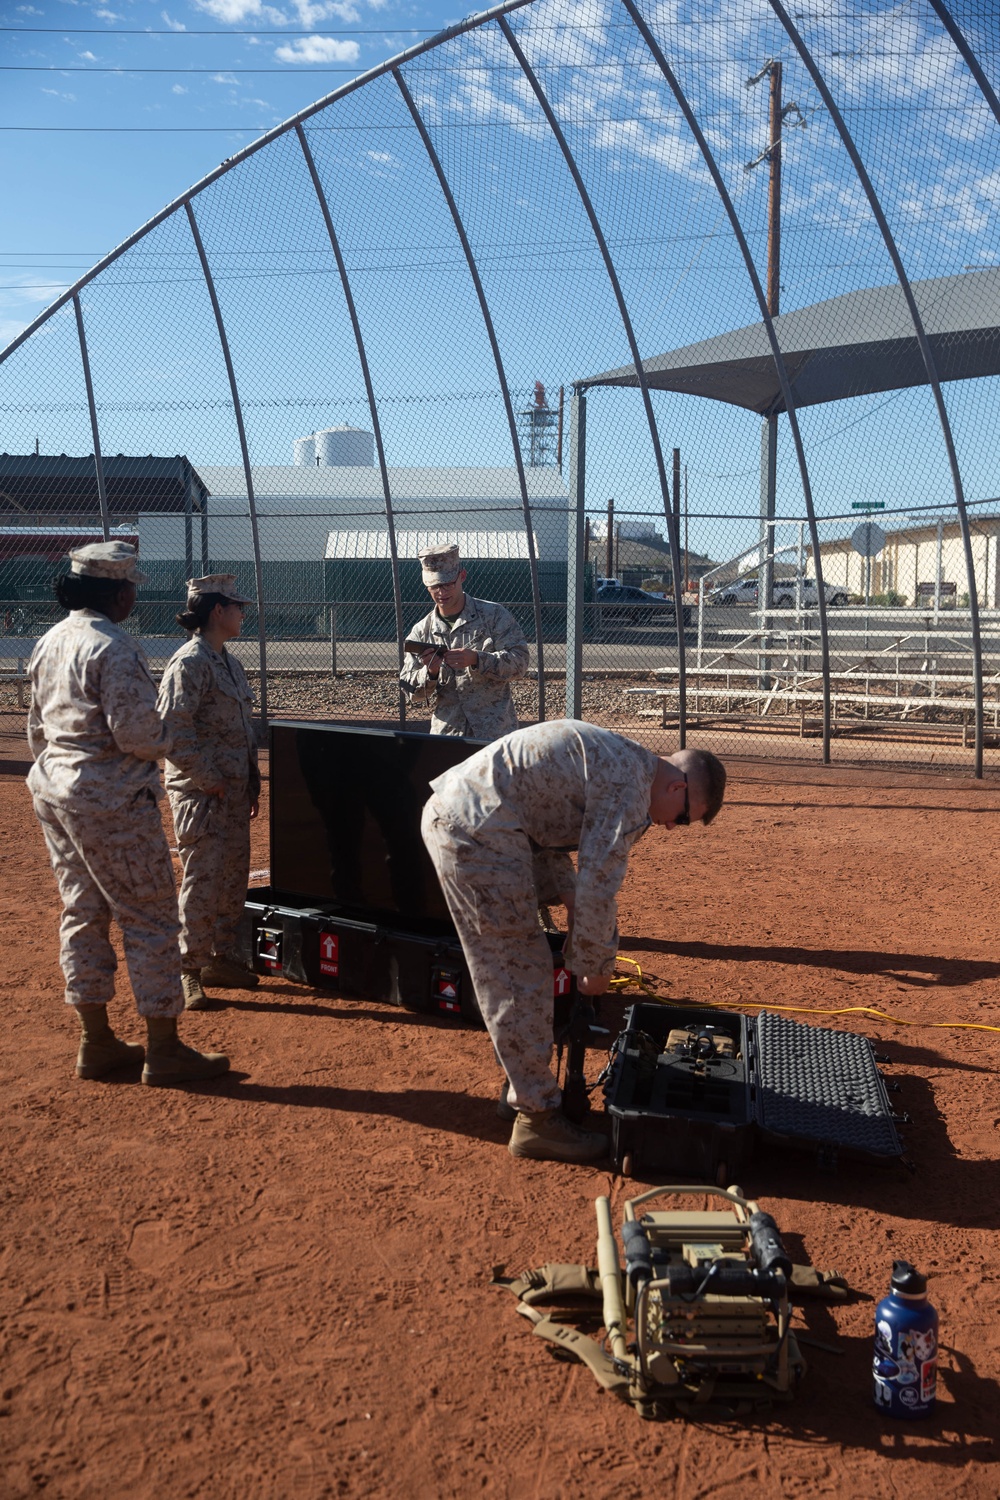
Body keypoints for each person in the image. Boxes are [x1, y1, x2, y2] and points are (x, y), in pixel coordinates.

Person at [421, 719, 727, 1164]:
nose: (672, 829)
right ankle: (537, 1121)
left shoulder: (626, 764)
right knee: (517, 970)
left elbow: (549, 818)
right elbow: (600, 885)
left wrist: (568, 896)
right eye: (683, 818)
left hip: (480, 820)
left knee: (521, 967)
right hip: (476, 831)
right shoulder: (630, 785)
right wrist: (595, 967)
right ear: (677, 789)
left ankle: (522, 1086)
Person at [26, 541, 229, 1088]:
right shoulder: (113, 646)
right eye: (132, 586)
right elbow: (138, 735)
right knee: (150, 917)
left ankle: (96, 1043)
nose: (135, 594)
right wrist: (166, 735)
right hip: (112, 800)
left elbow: (36, 730)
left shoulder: (50, 640)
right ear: (117, 591)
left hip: (55, 790)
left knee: (82, 911)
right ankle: (163, 1049)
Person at [157, 575, 261, 1009]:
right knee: (202, 879)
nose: (242, 613)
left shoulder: (228, 663)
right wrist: (209, 779)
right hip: (202, 794)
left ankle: (219, 957)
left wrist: (251, 780)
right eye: (236, 606)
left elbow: (241, 729)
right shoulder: (190, 663)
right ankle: (188, 969)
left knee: (232, 878)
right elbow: (172, 732)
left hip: (232, 792)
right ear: (217, 611)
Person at [399, 542, 529, 740]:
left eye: (447, 584)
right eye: (434, 586)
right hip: (448, 736)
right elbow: (409, 690)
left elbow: (520, 663)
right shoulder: (421, 631)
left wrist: (477, 659)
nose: (441, 592)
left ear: (462, 576)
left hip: (493, 735)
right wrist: (430, 672)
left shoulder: (493, 615)